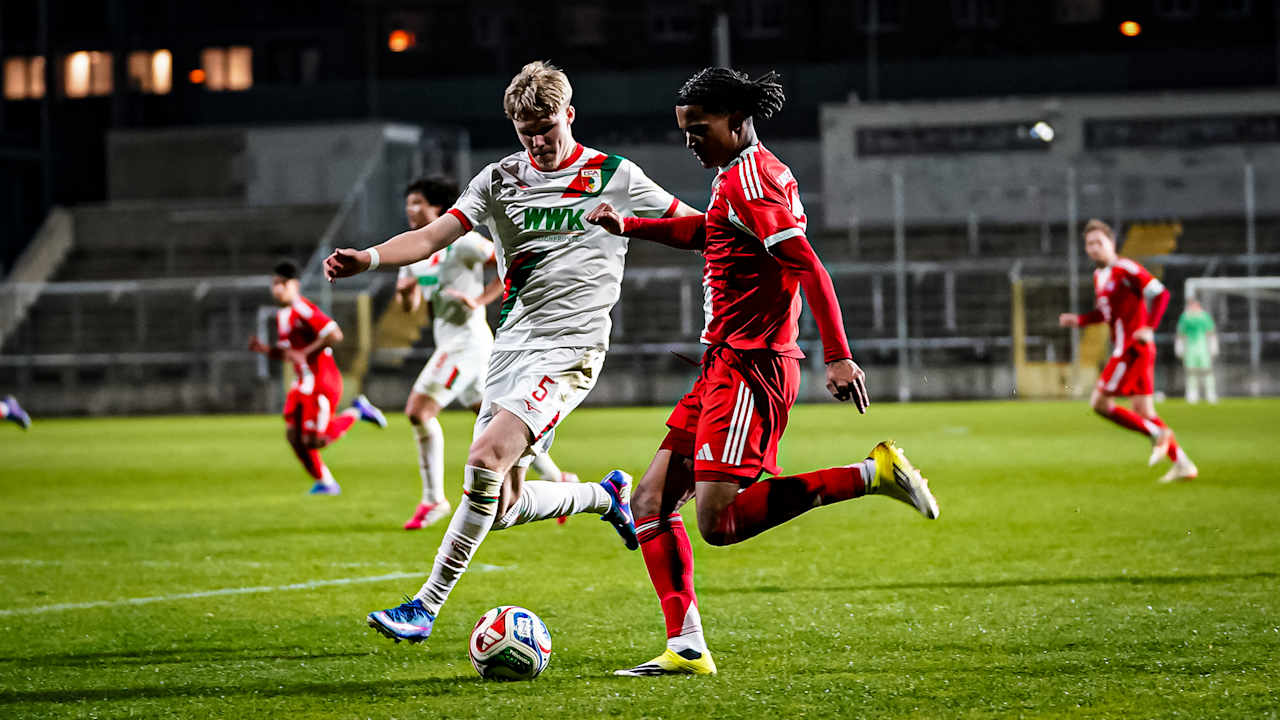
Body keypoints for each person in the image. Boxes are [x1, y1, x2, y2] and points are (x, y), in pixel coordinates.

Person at [323, 61, 701, 644]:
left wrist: (755, 237)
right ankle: (606, 495)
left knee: (484, 458)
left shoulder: (615, 174)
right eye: (526, 130)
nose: (538, 141)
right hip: (511, 348)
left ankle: (425, 606)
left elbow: (694, 226)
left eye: (546, 126)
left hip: (572, 346)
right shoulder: (499, 179)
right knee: (501, 504)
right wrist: (368, 258)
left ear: (569, 115)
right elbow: (430, 238)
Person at [584, 67, 939, 677]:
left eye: (700, 129)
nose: (690, 140)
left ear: (737, 120)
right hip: (722, 362)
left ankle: (869, 475)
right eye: (684, 130)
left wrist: (838, 355)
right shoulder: (734, 177)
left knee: (717, 523)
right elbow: (709, 231)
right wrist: (633, 225)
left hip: (753, 369)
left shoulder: (754, 183)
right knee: (648, 501)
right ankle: (687, 645)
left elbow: (810, 268)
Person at [396, 177, 581, 531]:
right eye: (409, 202)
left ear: (438, 208)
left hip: (467, 344)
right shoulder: (415, 251)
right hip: (450, 343)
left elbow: (505, 260)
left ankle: (433, 499)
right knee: (499, 424)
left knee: (419, 411)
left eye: (418, 202)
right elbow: (411, 308)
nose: (411, 209)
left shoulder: (462, 243)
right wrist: (406, 294)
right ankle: (561, 479)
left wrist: (479, 300)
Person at [1058, 219, 1198, 483]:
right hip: (1132, 349)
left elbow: (1161, 294)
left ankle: (1157, 435)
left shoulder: (1126, 268)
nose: (1094, 248)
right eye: (1089, 244)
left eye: (1099, 242)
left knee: (1099, 403)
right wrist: (1080, 320)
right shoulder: (1099, 276)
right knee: (1145, 412)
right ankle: (1183, 464)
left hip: (1132, 348)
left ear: (1112, 243)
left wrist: (1148, 327)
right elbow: (1106, 313)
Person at [249, 260, 387, 495]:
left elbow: (334, 333)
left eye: (281, 283)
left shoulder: (304, 309)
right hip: (302, 384)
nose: (277, 289)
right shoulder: (283, 316)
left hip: (321, 381)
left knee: (316, 441)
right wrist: (266, 350)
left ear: (294, 284)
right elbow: (291, 354)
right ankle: (326, 482)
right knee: (293, 436)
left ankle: (357, 411)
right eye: (274, 284)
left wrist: (306, 351)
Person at [1175, 298, 1219, 404]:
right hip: (1190, 348)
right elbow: (1180, 334)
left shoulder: (1204, 317)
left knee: (1207, 371)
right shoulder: (1185, 317)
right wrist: (1179, 346)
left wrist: (1213, 346)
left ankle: (1210, 393)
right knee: (1191, 371)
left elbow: (1211, 332)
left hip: (1203, 348)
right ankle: (1192, 394)